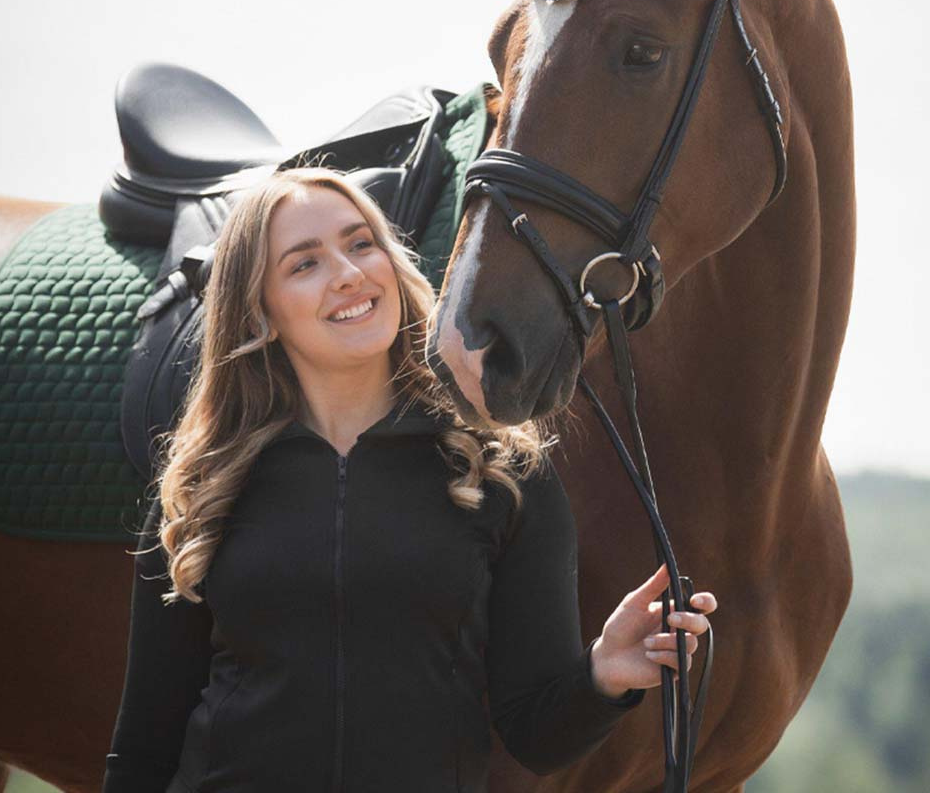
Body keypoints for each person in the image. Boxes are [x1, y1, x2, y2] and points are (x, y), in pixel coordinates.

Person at [101, 166, 716, 793]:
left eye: (361, 243)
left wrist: (604, 674)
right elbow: (143, 748)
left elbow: (535, 735)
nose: (348, 272)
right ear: (260, 310)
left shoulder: (502, 475)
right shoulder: (203, 489)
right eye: (304, 264)